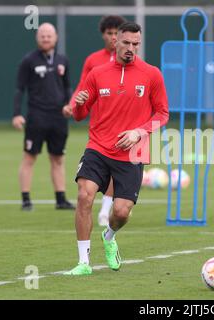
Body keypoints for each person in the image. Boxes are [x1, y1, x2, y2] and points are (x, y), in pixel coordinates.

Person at [64, 22, 169, 275]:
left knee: (121, 212)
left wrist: (138, 132)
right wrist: (78, 105)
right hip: (98, 147)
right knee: (84, 195)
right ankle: (83, 263)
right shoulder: (97, 73)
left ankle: (109, 236)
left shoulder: (151, 74)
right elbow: (79, 115)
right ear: (116, 42)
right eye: (126, 43)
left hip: (132, 153)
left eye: (136, 44)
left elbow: (163, 113)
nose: (131, 48)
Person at [70, 15, 126, 226]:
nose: (113, 37)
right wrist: (72, 102)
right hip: (99, 123)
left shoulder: (129, 61)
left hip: (122, 125)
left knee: (115, 167)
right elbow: (82, 87)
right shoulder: (93, 60)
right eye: (109, 33)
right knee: (99, 166)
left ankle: (105, 209)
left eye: (116, 33)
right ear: (103, 34)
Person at [12, 23, 75, 211]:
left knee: (58, 158)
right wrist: (17, 114)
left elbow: (67, 87)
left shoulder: (63, 60)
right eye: (42, 35)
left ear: (56, 37)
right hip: (37, 117)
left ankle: (61, 199)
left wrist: (69, 105)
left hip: (58, 117)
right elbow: (19, 89)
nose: (46, 38)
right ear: (37, 38)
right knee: (30, 157)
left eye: (49, 35)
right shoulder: (28, 60)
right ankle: (25, 199)